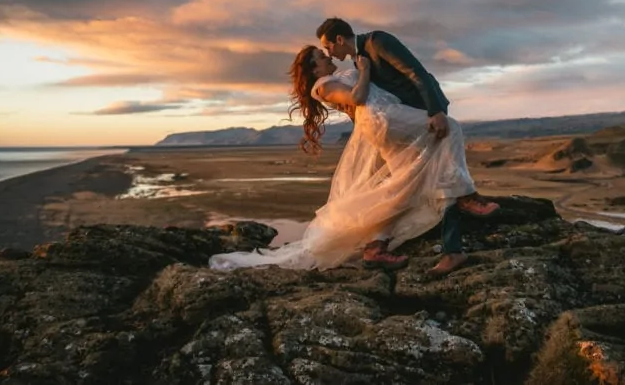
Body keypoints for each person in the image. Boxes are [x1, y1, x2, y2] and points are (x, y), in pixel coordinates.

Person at [209, 41, 497, 276]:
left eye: (324, 52)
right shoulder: (322, 85)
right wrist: (366, 69)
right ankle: (465, 197)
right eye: (320, 56)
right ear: (313, 68)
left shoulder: (331, 78)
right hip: (383, 122)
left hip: (381, 124)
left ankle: (377, 246)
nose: (326, 56)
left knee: (404, 185)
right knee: (449, 132)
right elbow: (358, 98)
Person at [317, 17, 498, 275]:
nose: (329, 53)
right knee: (437, 161)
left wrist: (435, 110)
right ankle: (465, 203)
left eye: (327, 47)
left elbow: (415, 71)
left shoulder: (377, 41)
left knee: (421, 180)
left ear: (338, 39)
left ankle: (388, 247)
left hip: (421, 113)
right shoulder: (357, 62)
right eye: (323, 53)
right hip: (397, 125)